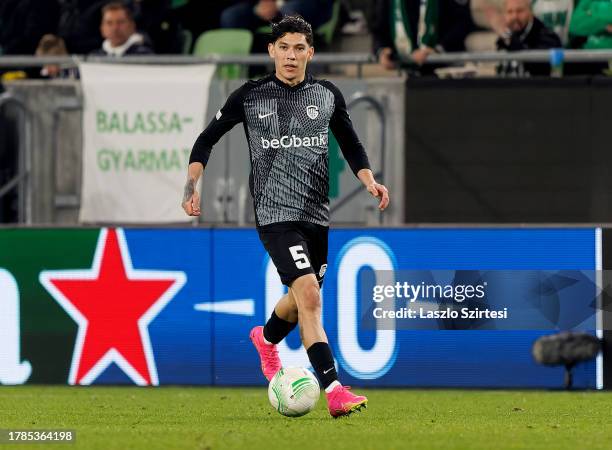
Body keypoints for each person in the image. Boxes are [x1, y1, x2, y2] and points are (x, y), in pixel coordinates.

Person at [182, 15, 389, 418]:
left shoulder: (328, 95)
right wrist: (192, 185)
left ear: (310, 52)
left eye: (299, 48)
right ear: (271, 51)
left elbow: (351, 144)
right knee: (310, 295)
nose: (291, 56)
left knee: (297, 302)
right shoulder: (250, 96)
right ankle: (334, 390)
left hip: (317, 216)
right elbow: (205, 141)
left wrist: (369, 181)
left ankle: (265, 338)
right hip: (275, 214)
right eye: (284, 48)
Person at [369, 0, 476, 70]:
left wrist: (438, 49)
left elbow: (463, 23)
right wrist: (381, 51)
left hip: (446, 69)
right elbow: (379, 30)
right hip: (407, 74)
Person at [495, 0, 562, 75]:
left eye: (519, 11)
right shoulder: (504, 39)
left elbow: (542, 67)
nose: (515, 16)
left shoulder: (547, 37)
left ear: (530, 12)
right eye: (510, 12)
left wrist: (509, 40)